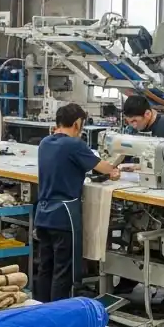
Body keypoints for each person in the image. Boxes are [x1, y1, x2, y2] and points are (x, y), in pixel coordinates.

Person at [34, 103, 121, 302]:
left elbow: (66, 166)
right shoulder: (75, 145)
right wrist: (114, 171)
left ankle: (41, 310)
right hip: (63, 216)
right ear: (77, 123)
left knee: (46, 267)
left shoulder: (45, 143)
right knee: (63, 271)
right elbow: (104, 167)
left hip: (43, 214)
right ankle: (60, 315)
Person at [121, 94, 164, 163]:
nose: (133, 126)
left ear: (147, 114)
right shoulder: (133, 129)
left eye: (134, 121)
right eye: (129, 122)